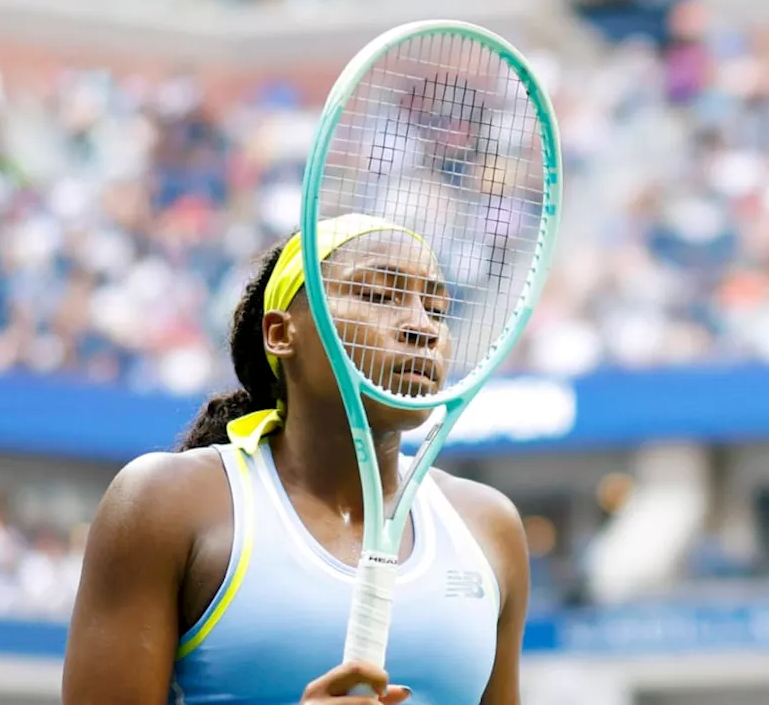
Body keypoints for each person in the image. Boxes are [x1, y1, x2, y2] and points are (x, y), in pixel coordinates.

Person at [63, 214, 530, 704]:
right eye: (378, 296)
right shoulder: (163, 502)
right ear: (280, 333)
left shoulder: (489, 525)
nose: (421, 326)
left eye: (436, 308)